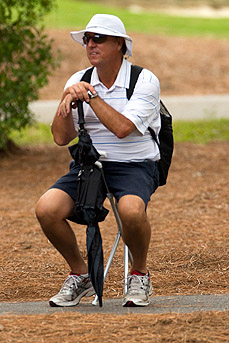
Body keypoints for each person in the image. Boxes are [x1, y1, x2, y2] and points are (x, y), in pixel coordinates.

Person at [35, 13, 161, 307]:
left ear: (119, 44)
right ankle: (81, 274)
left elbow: (122, 129)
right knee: (47, 209)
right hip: (89, 166)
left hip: (135, 164)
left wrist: (90, 98)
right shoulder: (78, 79)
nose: (91, 44)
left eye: (99, 39)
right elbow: (60, 138)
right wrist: (67, 101)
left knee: (130, 210)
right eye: (87, 39)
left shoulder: (143, 79)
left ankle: (140, 274)